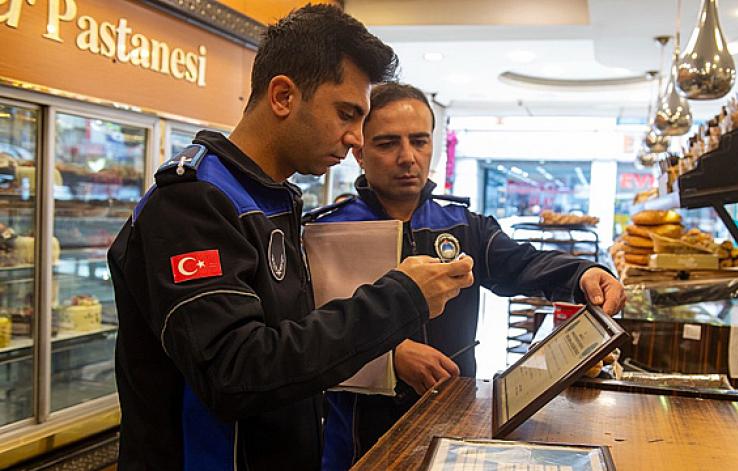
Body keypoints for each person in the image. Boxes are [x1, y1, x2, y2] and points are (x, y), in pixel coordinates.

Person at [107, 7, 474, 470]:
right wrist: (400, 298)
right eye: (347, 114)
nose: (355, 139)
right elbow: (236, 370)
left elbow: (294, 348)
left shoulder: (273, 200)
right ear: (282, 96)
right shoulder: (193, 203)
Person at [307, 83, 627, 469]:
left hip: (453, 428)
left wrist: (583, 274)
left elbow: (522, 263)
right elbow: (304, 336)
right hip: (357, 442)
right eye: (388, 143)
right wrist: (386, 357)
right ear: (359, 152)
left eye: (420, 141)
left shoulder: (462, 225)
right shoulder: (328, 231)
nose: (408, 157)